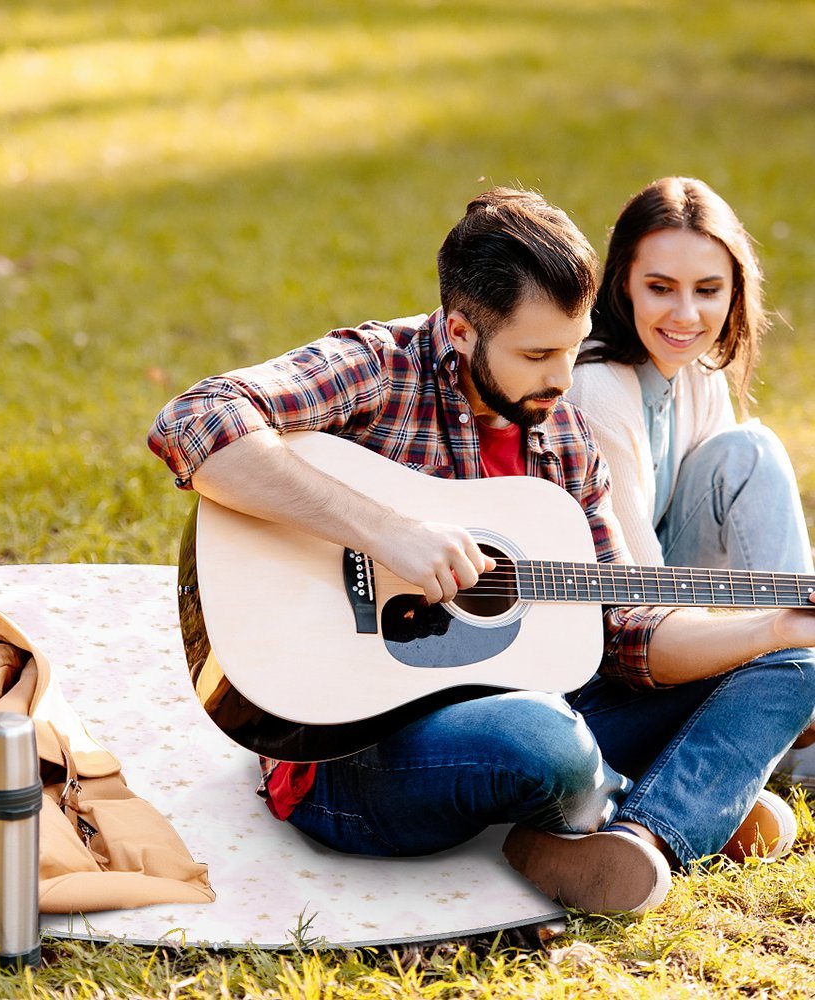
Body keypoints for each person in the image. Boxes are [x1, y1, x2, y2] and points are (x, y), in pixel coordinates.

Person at [148, 187, 815, 916]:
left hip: (537, 709)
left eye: (572, 346)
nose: (563, 380)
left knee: (796, 665)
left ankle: (645, 836)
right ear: (461, 330)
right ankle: (675, 795)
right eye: (537, 354)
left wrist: (772, 628)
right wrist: (384, 531)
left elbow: (624, 629)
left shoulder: (563, 436)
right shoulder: (379, 367)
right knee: (544, 741)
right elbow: (195, 419)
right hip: (350, 755)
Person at [568, 176, 815, 789]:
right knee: (752, 451)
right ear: (622, 281)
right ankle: (791, 716)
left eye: (708, 290)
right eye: (660, 288)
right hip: (612, 649)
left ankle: (793, 698)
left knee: (746, 451)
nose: (686, 315)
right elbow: (639, 603)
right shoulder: (598, 386)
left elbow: (736, 544)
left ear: (735, 291)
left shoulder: (697, 370)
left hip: (678, 613)